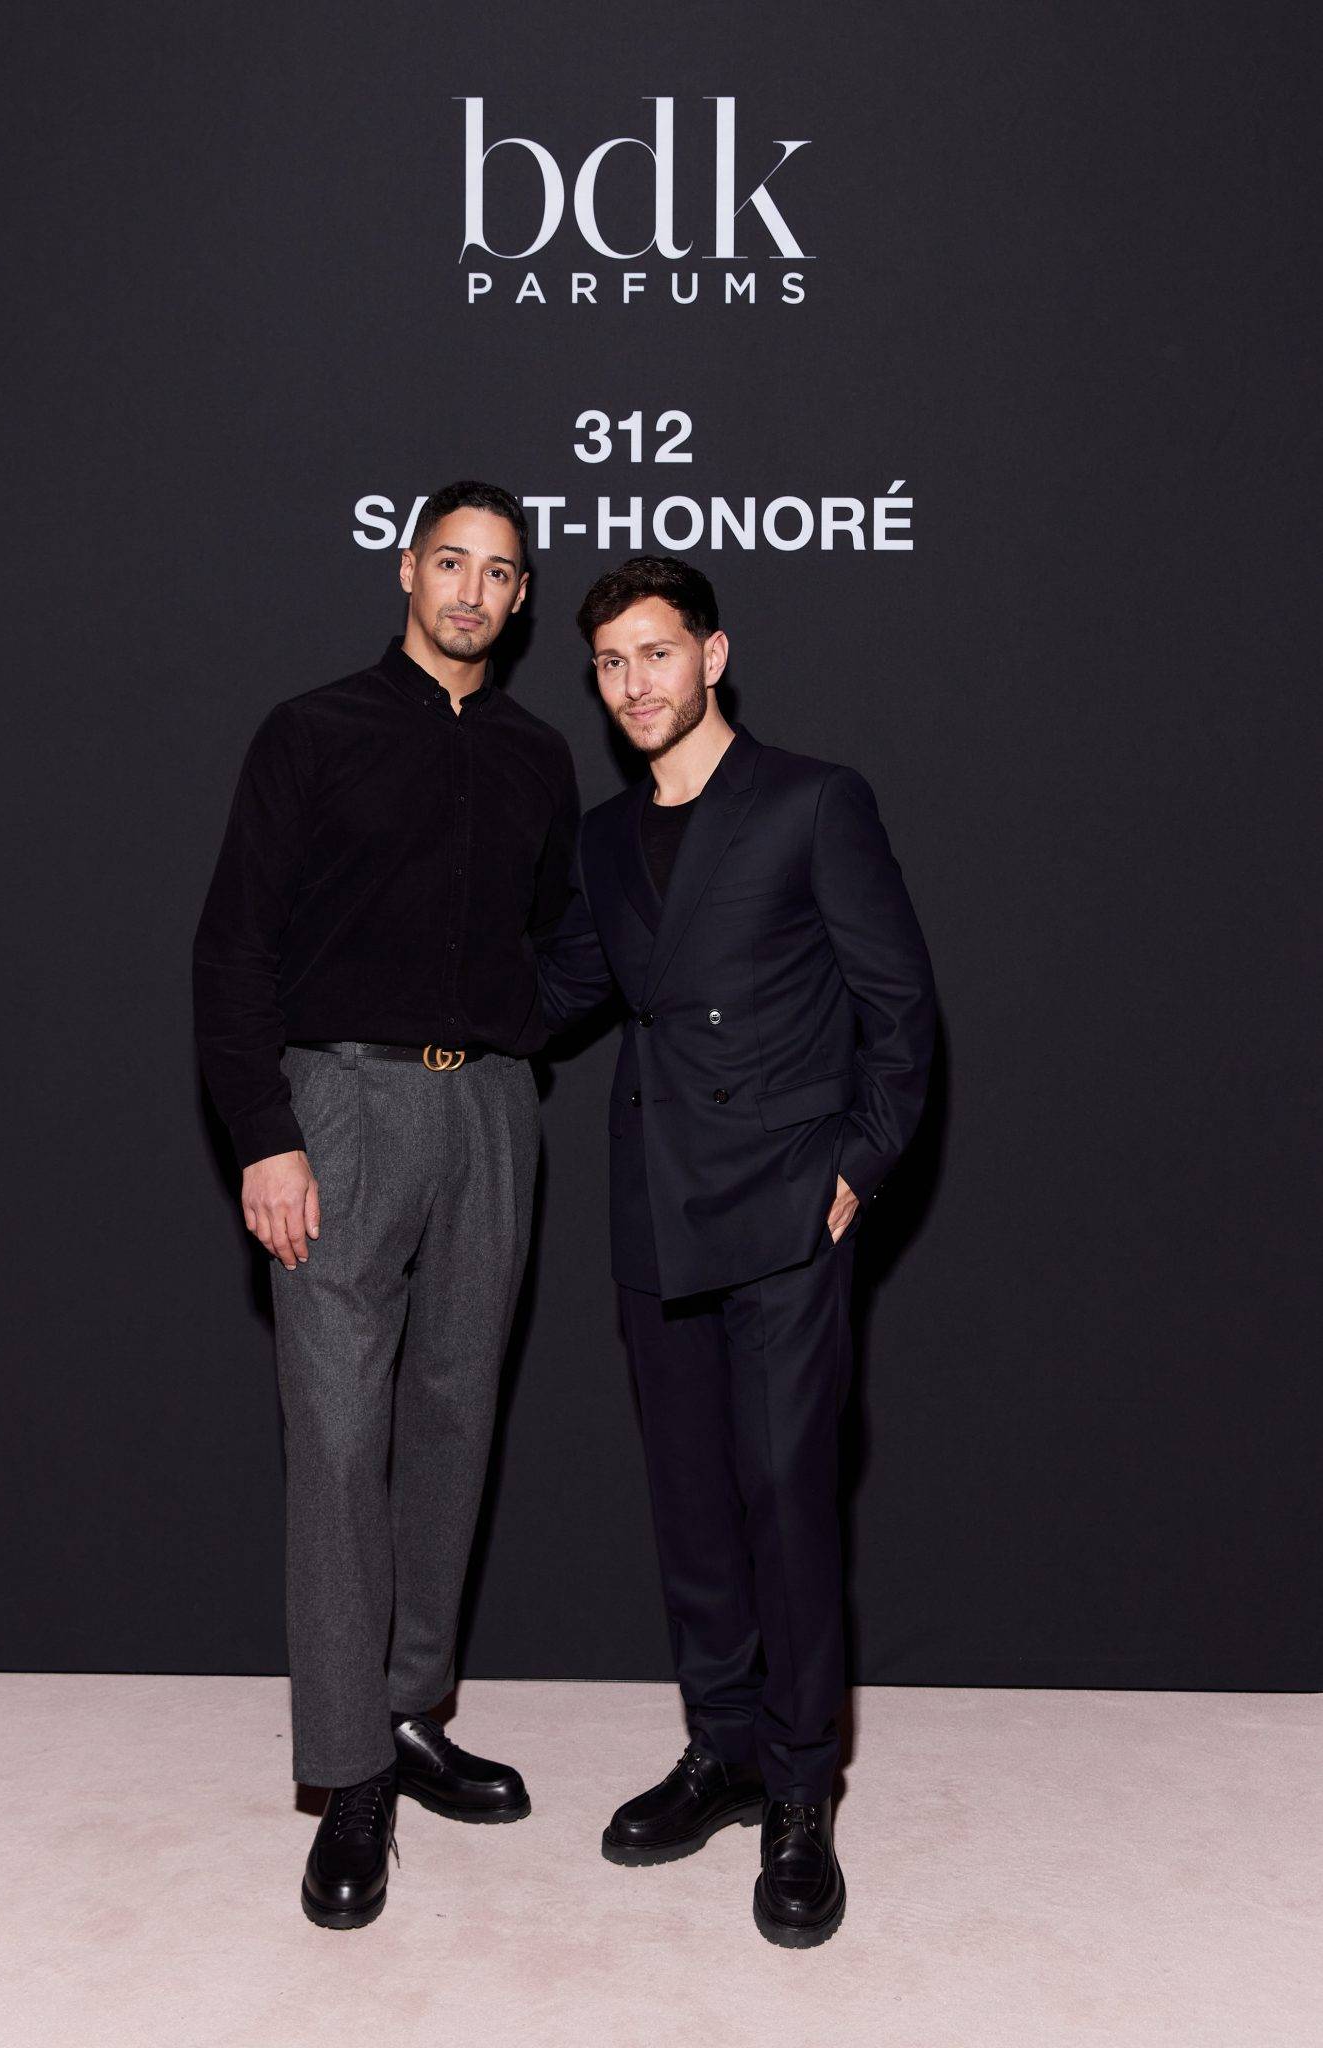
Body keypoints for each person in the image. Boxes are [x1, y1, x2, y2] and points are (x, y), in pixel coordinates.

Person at [193, 480, 578, 1930]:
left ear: (522, 599)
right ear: (407, 570)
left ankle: (415, 1712)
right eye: (453, 563)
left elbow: (551, 933)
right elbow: (230, 948)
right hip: (337, 1112)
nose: (474, 591)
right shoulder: (312, 732)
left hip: (487, 1110)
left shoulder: (542, 756)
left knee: (455, 1416)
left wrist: (511, 1047)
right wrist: (267, 1134)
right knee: (341, 1443)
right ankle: (348, 1777)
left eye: (502, 573)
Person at [537, 555, 935, 1948]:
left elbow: (901, 1006)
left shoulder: (814, 801)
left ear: (715, 653)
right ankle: (724, 1751)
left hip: (778, 1205)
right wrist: (408, 985)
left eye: (655, 654)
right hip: (654, 1205)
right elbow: (567, 988)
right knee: (692, 1502)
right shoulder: (600, 838)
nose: (634, 684)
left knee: (785, 1494)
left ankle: (804, 1792)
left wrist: (860, 1163)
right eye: (609, 665)